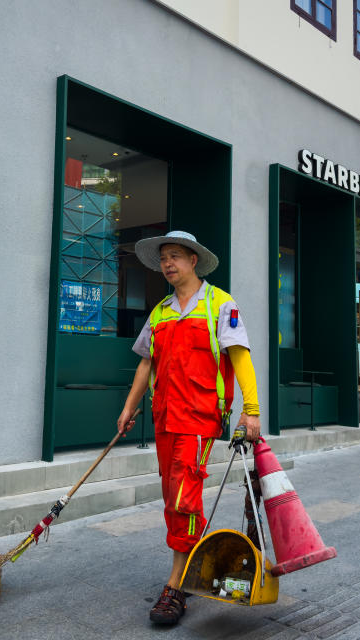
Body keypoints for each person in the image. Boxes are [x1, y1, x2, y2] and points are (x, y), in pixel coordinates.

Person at [116, 230, 260, 626]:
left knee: (183, 495)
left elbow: (239, 356)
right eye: (164, 258)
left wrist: (252, 410)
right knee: (172, 493)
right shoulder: (160, 311)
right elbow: (146, 363)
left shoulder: (220, 304)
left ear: (193, 260)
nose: (167, 264)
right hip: (165, 418)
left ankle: (175, 585)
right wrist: (129, 409)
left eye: (175, 256)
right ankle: (190, 562)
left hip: (199, 419)